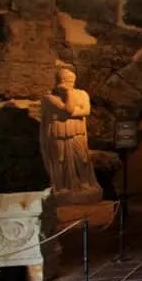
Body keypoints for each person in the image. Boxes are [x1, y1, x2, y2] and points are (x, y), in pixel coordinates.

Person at [40, 67, 102, 204]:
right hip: (58, 134)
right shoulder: (48, 98)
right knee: (60, 160)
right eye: (66, 80)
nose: (70, 83)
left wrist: (69, 110)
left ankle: (85, 183)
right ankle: (63, 187)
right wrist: (69, 96)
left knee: (82, 158)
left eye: (71, 80)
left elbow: (86, 110)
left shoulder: (82, 94)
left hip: (77, 133)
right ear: (59, 81)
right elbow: (67, 110)